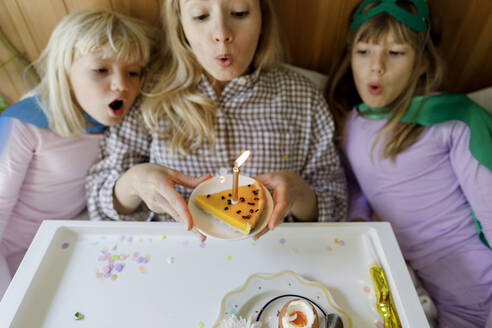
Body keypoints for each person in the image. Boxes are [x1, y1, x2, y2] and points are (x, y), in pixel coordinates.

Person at [86, 0, 347, 241]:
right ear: (181, 27)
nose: (222, 33)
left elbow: (336, 205)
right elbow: (97, 201)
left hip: (275, 251)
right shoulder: (147, 93)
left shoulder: (301, 96)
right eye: (200, 16)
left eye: (239, 13)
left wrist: (300, 193)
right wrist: (133, 183)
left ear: (262, 21)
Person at [327, 0, 492, 327]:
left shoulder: (455, 119)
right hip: (413, 286)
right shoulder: (348, 126)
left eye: (396, 53)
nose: (376, 67)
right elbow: (358, 184)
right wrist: (358, 220)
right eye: (364, 52)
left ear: (422, 64)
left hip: (478, 284)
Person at [0, 9, 153, 298]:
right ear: (65, 72)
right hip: (9, 258)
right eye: (101, 70)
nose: (122, 84)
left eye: (133, 72)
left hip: (63, 249)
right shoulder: (23, 124)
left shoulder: (122, 127)